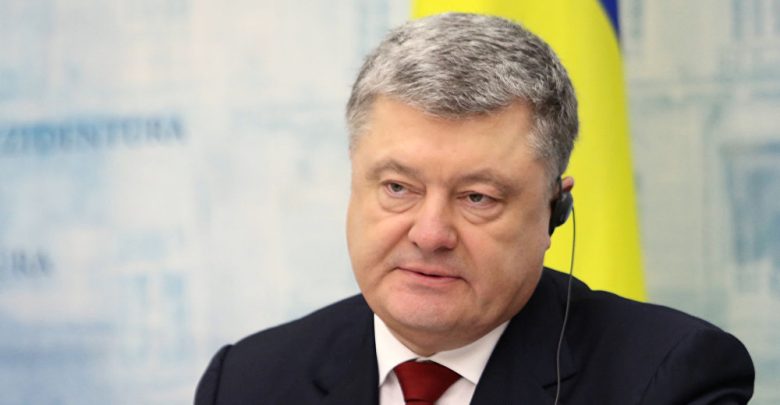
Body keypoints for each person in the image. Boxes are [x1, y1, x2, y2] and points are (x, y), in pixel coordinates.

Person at [195, 12, 754, 404]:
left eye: (477, 197)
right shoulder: (245, 381)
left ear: (554, 210)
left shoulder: (669, 379)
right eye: (398, 188)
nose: (430, 233)